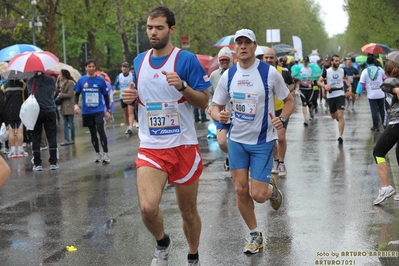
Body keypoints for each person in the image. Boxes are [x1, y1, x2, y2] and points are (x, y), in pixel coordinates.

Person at [121, 6, 210, 266]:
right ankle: (162, 243)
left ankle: (193, 255)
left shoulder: (186, 60)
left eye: (159, 28)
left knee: (188, 212)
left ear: (171, 29)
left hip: (183, 145)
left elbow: (204, 101)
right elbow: (136, 95)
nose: (153, 32)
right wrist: (127, 98)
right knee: (148, 208)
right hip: (151, 146)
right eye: (149, 27)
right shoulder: (139, 61)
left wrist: (182, 86)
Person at [211, 28, 294, 254]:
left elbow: (288, 100)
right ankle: (255, 234)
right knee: (240, 190)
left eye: (248, 42)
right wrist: (219, 116)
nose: (243, 46)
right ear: (235, 47)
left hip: (262, 141)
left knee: (258, 195)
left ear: (255, 46)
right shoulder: (228, 75)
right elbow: (215, 106)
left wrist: (282, 119)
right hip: (236, 140)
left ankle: (271, 188)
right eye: (239, 43)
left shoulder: (269, 73)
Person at [263, 48, 295, 177]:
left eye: (271, 57)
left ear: (276, 59)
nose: (269, 60)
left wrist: (286, 89)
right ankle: (275, 161)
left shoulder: (284, 72)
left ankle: (281, 162)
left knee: (281, 137)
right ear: (263, 58)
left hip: (281, 108)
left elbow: (292, 84)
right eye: (266, 57)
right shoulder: (260, 72)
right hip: (268, 110)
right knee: (272, 138)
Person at [371, 60, 399, 204]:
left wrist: (394, 89)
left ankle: (385, 187)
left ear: (386, 72)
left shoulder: (390, 81)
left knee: (378, 152)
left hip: (397, 123)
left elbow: (389, 87)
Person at [74, 59, 111, 164]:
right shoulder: (81, 80)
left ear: (95, 68)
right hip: (87, 111)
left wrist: (107, 109)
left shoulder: (100, 80)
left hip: (98, 109)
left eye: (93, 66)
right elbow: (76, 94)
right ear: (86, 68)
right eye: (89, 66)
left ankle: (106, 153)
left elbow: (106, 96)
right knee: (93, 133)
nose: (91, 68)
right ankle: (97, 153)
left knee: (100, 130)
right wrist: (75, 105)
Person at [207, 46, 233, 171]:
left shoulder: (237, 73)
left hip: (236, 114)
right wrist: (210, 107)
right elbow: (210, 94)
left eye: (226, 60)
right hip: (221, 114)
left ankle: (236, 160)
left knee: (236, 142)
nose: (224, 62)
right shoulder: (214, 75)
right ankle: (229, 155)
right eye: (222, 60)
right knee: (222, 141)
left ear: (231, 60)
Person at [27, 72, 59, 171]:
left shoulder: (30, 81)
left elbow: (29, 94)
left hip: (36, 112)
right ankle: (53, 163)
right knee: (51, 137)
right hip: (49, 110)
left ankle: (37, 164)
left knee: (36, 137)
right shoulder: (51, 80)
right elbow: (53, 92)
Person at [317, 54, 352, 144]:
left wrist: (349, 87)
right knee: (333, 116)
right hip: (331, 95)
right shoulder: (327, 72)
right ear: (331, 62)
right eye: (336, 61)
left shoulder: (342, 71)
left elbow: (347, 79)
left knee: (340, 115)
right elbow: (318, 81)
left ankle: (340, 136)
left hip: (340, 94)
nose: (338, 62)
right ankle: (337, 118)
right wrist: (324, 86)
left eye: (338, 61)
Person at [358, 56, 387, 131]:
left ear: (367, 62)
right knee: (382, 110)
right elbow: (385, 79)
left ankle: (376, 126)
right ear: (374, 61)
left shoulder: (365, 71)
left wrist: (359, 92)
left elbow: (362, 84)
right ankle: (384, 125)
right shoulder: (380, 70)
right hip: (381, 93)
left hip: (371, 95)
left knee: (374, 111)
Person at [2, 79, 28, 158]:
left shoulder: (4, 86)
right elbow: (26, 98)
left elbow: (3, 101)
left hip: (9, 111)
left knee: (11, 131)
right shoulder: (22, 85)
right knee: (20, 130)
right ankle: (20, 150)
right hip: (20, 111)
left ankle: (12, 150)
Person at [114, 62, 136, 135]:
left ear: (128, 68)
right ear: (121, 68)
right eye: (123, 67)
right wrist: (114, 90)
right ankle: (127, 126)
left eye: (126, 67)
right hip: (122, 96)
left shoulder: (132, 76)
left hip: (130, 96)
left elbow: (136, 84)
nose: (124, 68)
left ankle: (130, 127)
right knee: (126, 113)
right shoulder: (119, 76)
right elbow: (115, 85)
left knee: (130, 112)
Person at [57, 69, 76, 146]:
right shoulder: (61, 84)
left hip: (69, 105)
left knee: (71, 123)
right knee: (64, 123)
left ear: (64, 75)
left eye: (60, 74)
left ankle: (72, 138)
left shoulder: (70, 83)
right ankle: (66, 139)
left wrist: (60, 95)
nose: (59, 76)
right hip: (63, 106)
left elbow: (70, 94)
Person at [296, 56, 315, 126]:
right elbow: (297, 78)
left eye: (306, 62)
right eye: (304, 62)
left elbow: (313, 78)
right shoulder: (300, 69)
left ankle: (311, 111)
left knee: (309, 103)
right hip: (302, 89)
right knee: (304, 104)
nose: (305, 63)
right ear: (302, 62)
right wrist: (300, 84)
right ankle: (305, 119)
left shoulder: (311, 69)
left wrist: (309, 83)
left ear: (308, 62)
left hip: (309, 89)